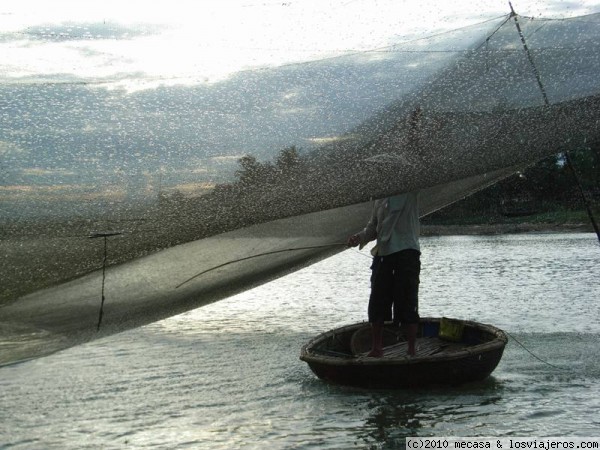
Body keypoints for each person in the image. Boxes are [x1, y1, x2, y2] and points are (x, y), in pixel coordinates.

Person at [347, 191, 421, 357]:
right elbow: (373, 226)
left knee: (408, 301)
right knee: (377, 301)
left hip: (407, 252)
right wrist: (359, 237)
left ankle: (411, 349)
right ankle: (376, 349)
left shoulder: (410, 190)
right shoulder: (379, 195)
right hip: (383, 254)